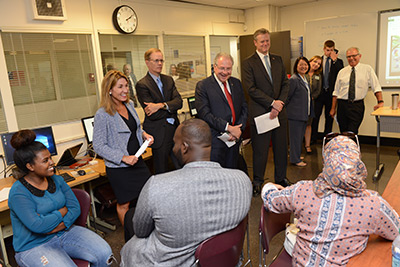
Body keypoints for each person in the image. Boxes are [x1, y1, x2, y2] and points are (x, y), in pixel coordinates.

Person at [120, 118, 252, 266]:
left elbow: (141, 231)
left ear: (184, 147)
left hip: (174, 262)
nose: (173, 148)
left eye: (175, 143)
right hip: (224, 259)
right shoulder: (242, 181)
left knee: (131, 244)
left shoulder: (156, 185)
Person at [261, 134, 400, 266]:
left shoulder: (303, 190)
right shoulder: (373, 205)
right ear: (358, 164)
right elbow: (396, 231)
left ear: (326, 161)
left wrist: (269, 186)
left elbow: (270, 200)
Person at [8, 130, 113, 267]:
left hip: (65, 232)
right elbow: (38, 226)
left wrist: (55, 226)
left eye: (50, 158)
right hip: (34, 246)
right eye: (46, 160)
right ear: (30, 166)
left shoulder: (57, 179)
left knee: (105, 254)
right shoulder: (18, 192)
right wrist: (62, 211)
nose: (52, 162)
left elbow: (75, 208)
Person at [93, 70, 153, 226]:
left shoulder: (130, 105)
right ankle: (129, 238)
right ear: (109, 90)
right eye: (120, 87)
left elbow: (136, 128)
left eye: (126, 86)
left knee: (148, 195)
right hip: (119, 167)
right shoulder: (102, 114)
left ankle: (145, 228)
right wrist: (122, 157)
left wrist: (144, 135)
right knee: (124, 204)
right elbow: (98, 145)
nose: (125, 90)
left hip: (137, 161)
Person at [242, 28, 291, 196]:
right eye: (262, 41)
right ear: (255, 42)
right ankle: (258, 181)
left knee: (281, 148)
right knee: (261, 150)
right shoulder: (248, 63)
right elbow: (251, 89)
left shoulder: (277, 60)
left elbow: (285, 83)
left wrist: (280, 104)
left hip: (279, 113)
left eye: (267, 41)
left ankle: (281, 178)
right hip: (261, 113)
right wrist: (272, 103)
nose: (265, 44)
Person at [195, 52, 248, 169]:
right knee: (218, 177)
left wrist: (239, 129)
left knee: (233, 172)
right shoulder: (203, 86)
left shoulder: (237, 83)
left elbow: (244, 107)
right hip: (216, 142)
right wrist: (228, 128)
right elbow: (204, 114)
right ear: (214, 67)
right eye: (222, 68)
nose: (225, 72)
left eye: (228, 69)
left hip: (235, 140)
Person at [136, 48, 183, 174]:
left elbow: (179, 102)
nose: (160, 63)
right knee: (162, 172)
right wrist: (169, 107)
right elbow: (153, 114)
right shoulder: (142, 84)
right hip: (159, 134)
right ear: (147, 62)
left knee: (180, 168)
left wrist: (160, 105)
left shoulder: (168, 80)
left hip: (175, 131)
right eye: (156, 60)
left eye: (161, 60)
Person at [330, 47, 384, 134]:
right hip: (342, 106)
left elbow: (376, 86)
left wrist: (380, 101)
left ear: (359, 56)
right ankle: (347, 147)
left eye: (354, 56)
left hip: (357, 106)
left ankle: (352, 147)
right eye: (349, 57)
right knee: (343, 131)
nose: (351, 58)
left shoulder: (367, 69)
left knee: (352, 132)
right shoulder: (342, 71)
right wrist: (333, 108)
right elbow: (336, 92)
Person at [311, 40, 343, 142]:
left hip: (331, 94)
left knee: (329, 117)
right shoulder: (318, 61)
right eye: (328, 50)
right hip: (319, 93)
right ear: (324, 49)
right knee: (315, 116)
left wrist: (334, 61)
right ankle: (312, 138)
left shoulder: (338, 62)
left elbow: (340, 74)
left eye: (332, 50)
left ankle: (327, 139)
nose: (329, 52)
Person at [286, 57, 313, 167]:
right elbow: (287, 97)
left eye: (305, 65)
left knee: (299, 137)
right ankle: (295, 159)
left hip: (303, 113)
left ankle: (295, 155)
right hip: (295, 114)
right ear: (296, 66)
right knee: (295, 138)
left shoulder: (304, 78)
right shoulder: (293, 79)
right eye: (301, 65)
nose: (303, 67)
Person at [304, 55, 322, 154]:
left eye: (319, 64)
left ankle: (307, 145)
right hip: (300, 103)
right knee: (299, 124)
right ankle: (296, 146)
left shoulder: (318, 76)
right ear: (310, 61)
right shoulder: (302, 73)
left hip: (311, 103)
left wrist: (312, 97)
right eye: (315, 62)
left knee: (309, 124)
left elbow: (318, 91)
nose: (316, 65)